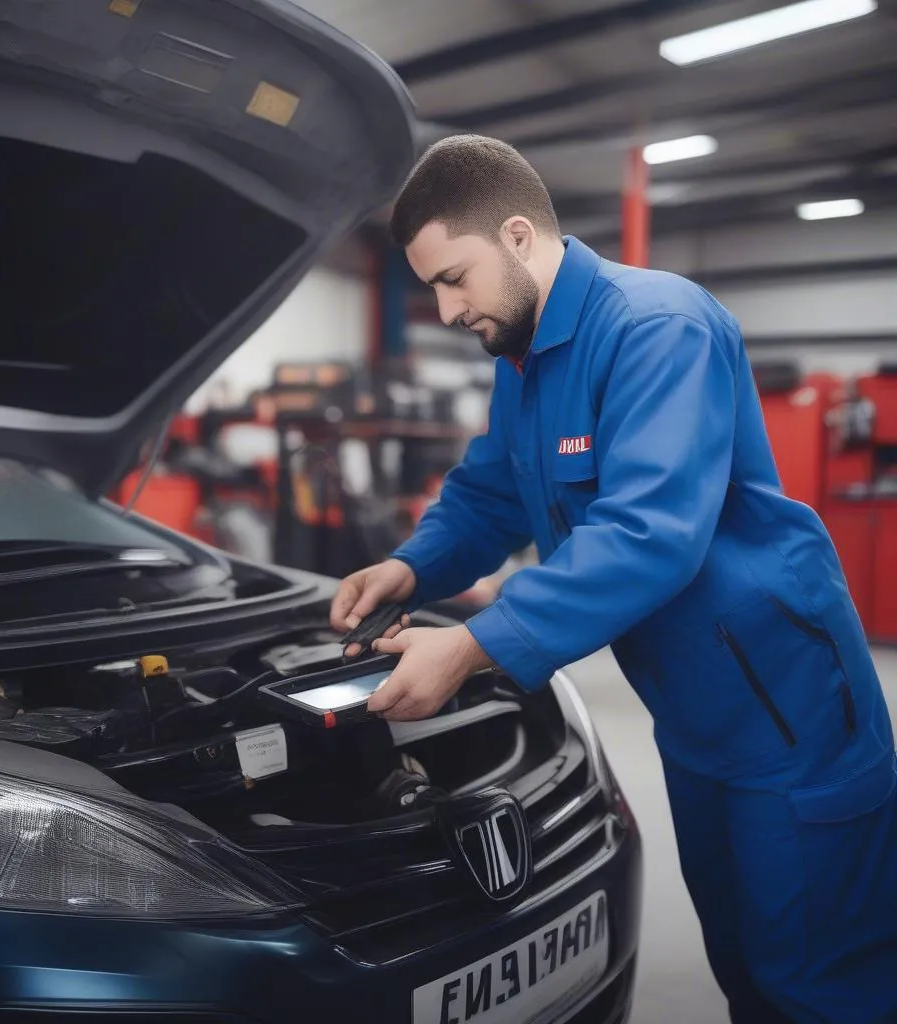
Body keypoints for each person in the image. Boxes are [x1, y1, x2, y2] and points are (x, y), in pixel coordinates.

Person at [329, 135, 897, 1024]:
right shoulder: (526, 361)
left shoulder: (657, 326)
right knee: (744, 962)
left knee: (820, 980)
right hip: (692, 714)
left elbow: (648, 535)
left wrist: (474, 646)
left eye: (453, 278)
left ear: (518, 236)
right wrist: (408, 567)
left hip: (788, 710)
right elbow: (489, 493)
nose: (445, 310)